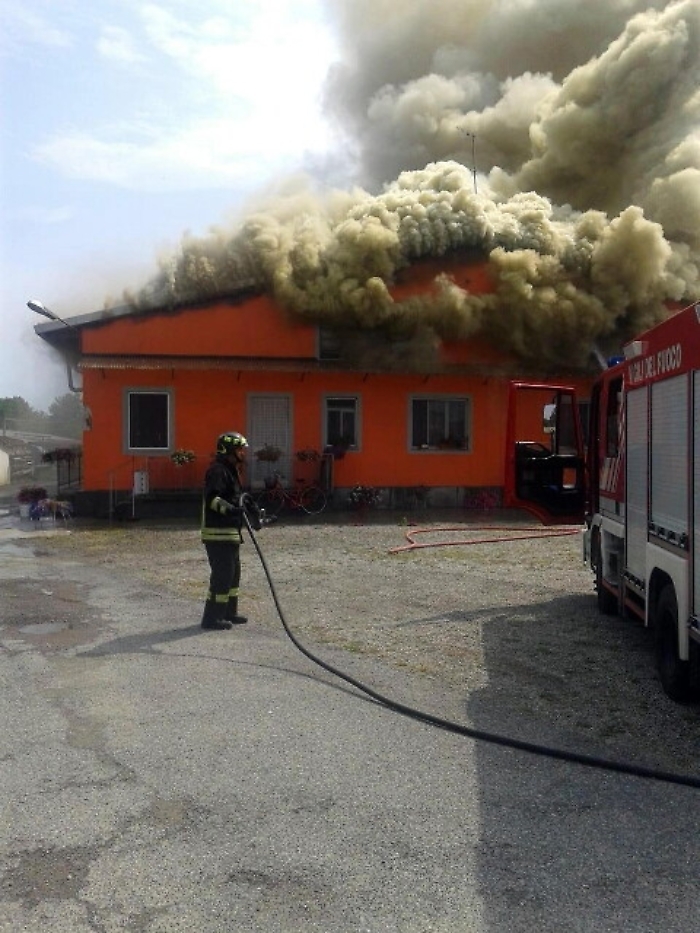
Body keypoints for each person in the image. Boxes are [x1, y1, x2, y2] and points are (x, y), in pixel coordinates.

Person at [200, 431, 259, 631]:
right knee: (222, 576)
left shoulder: (231, 470)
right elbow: (212, 499)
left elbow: (238, 497)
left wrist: (252, 510)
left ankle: (228, 612)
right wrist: (232, 509)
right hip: (217, 533)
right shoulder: (218, 471)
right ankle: (211, 618)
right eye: (240, 449)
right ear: (229, 450)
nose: (243, 453)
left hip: (231, 532)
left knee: (233, 576)